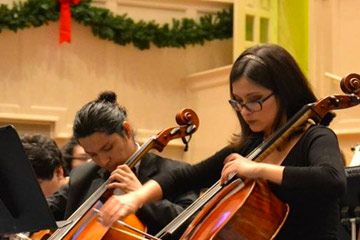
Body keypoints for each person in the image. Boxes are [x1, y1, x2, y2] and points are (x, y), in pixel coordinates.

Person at [96, 44, 347, 239]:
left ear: (284, 93)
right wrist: (136, 198)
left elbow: (332, 179)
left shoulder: (315, 137)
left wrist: (257, 169)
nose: (245, 110)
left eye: (255, 99)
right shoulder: (250, 147)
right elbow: (184, 176)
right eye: (238, 101)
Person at [47, 91, 199, 236]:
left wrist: (141, 196)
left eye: (108, 148)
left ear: (126, 131)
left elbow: (192, 228)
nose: (103, 161)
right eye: (92, 155)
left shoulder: (176, 172)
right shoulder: (83, 175)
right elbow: (43, 211)